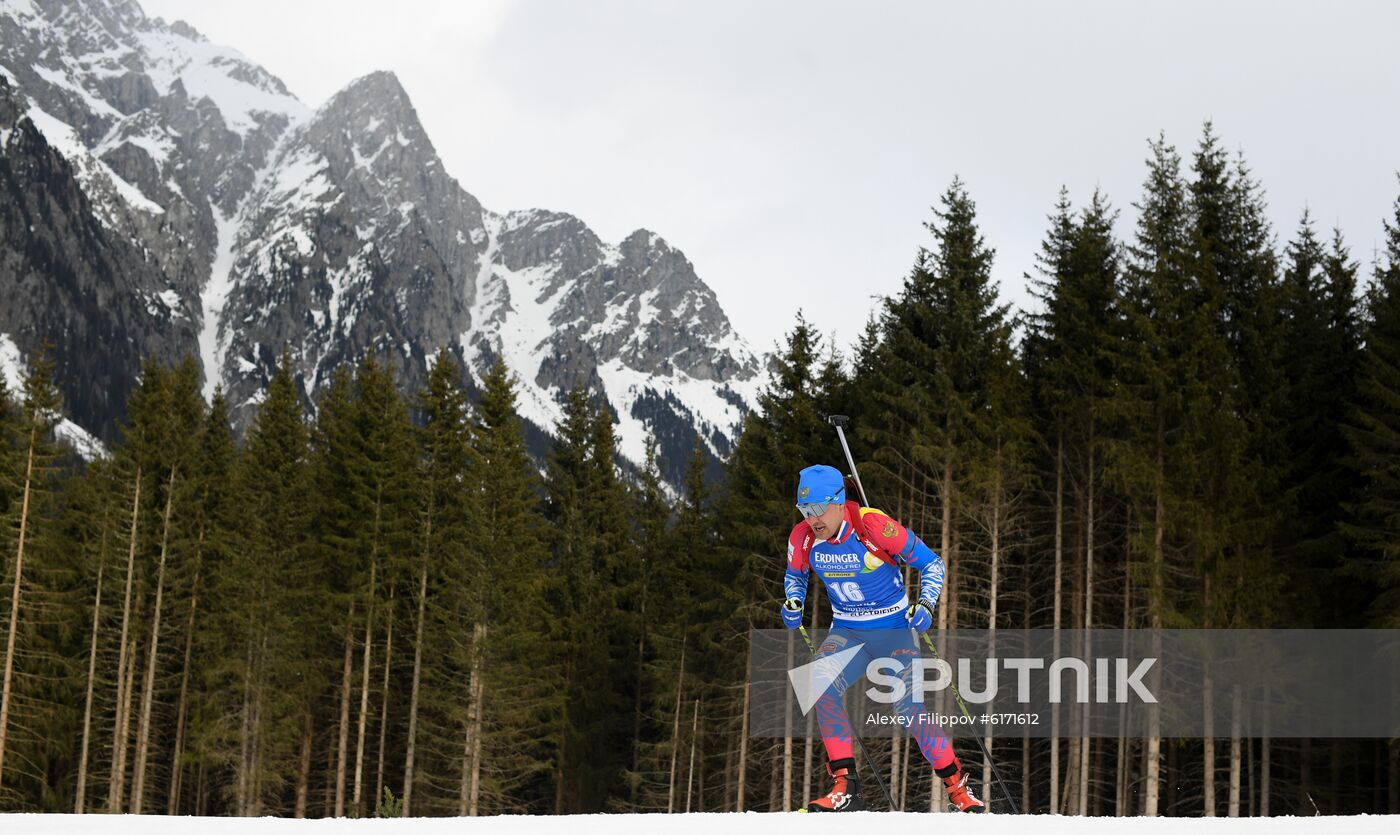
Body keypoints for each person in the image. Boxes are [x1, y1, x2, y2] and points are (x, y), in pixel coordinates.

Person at [782, 464, 984, 813]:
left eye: (816, 509)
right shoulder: (802, 536)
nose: (811, 518)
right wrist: (793, 600)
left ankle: (958, 789)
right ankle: (846, 787)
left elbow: (932, 564)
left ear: (837, 501)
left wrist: (925, 604)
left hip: (894, 631)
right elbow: (795, 576)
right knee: (818, 684)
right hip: (848, 632)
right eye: (804, 509)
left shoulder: (872, 524)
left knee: (909, 709)